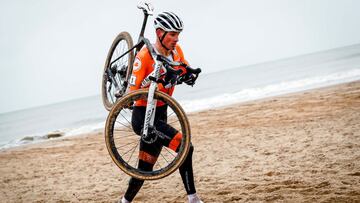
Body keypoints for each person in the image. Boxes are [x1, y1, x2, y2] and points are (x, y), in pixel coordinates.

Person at [119, 12, 203, 203]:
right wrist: (158, 82)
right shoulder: (144, 57)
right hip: (144, 118)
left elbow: (182, 68)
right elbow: (131, 96)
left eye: (178, 34)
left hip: (161, 114)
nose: (177, 38)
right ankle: (193, 199)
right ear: (159, 33)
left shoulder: (176, 51)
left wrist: (188, 75)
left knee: (144, 169)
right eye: (172, 34)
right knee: (185, 147)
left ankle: (124, 201)